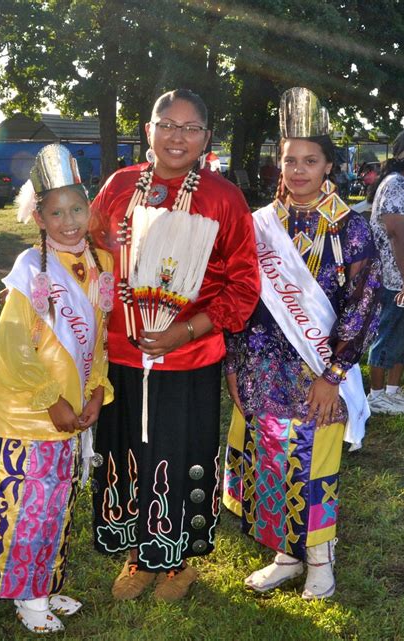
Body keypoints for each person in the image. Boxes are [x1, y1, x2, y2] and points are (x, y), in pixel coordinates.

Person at [90, 88, 260, 602]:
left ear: (207, 138)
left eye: (190, 128)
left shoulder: (223, 198)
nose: (177, 136)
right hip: (122, 353)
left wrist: (184, 331)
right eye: (168, 124)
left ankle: (176, 561)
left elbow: (244, 286)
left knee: (177, 452)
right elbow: (92, 250)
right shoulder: (119, 187)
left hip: (189, 356)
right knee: (127, 452)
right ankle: (138, 556)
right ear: (149, 131)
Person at [0, 144, 114, 634]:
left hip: (74, 413)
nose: (69, 221)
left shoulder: (97, 266)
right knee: (29, 511)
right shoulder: (30, 273)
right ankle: (27, 596)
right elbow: (14, 351)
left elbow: (97, 341)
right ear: (39, 217)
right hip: (35, 418)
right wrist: (51, 401)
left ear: (89, 209)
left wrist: (97, 391)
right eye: (56, 212)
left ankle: (44, 581)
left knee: (57, 506)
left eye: (77, 208)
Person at [223, 87, 382, 600]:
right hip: (262, 366)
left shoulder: (352, 230)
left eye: (310, 160)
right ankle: (286, 555)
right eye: (289, 160)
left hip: (320, 370)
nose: (297, 170)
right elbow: (241, 297)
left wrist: (333, 375)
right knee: (270, 456)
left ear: (329, 165)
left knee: (316, 463)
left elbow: (363, 304)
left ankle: (320, 559)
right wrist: (232, 362)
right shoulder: (258, 226)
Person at [367, 130, 404, 414]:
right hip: (395, 276)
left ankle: (392, 392)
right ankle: (377, 395)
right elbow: (397, 235)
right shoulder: (395, 185)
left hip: (401, 276)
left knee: (401, 335)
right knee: (386, 333)